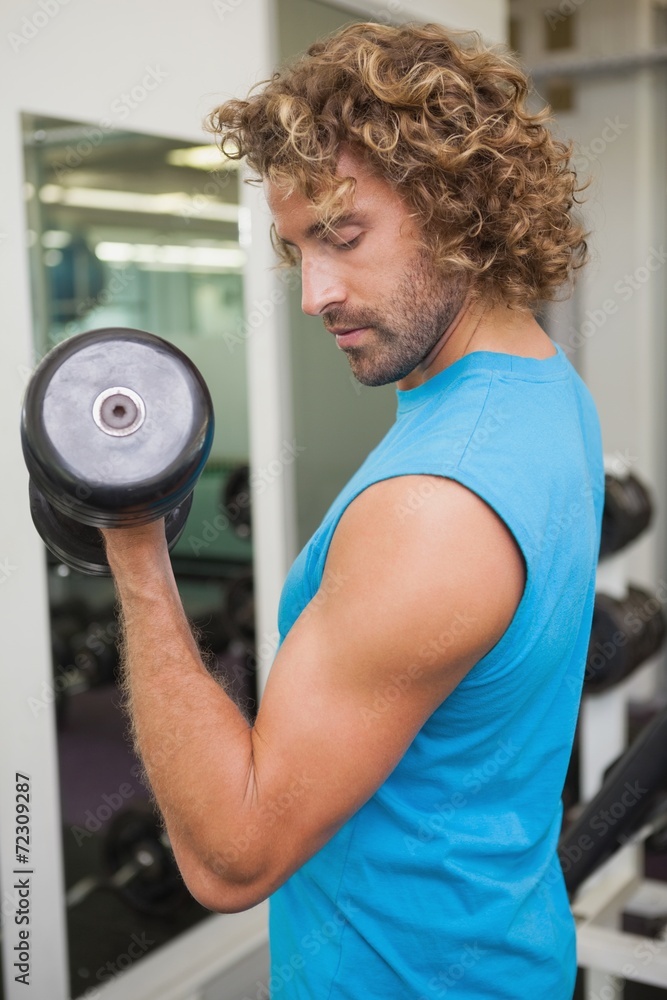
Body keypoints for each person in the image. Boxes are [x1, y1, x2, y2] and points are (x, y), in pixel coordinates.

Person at [102, 21, 605, 999]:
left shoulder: (434, 507)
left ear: (461, 209)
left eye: (343, 234)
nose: (313, 292)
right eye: (298, 248)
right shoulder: (541, 389)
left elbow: (232, 859)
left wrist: (132, 543)